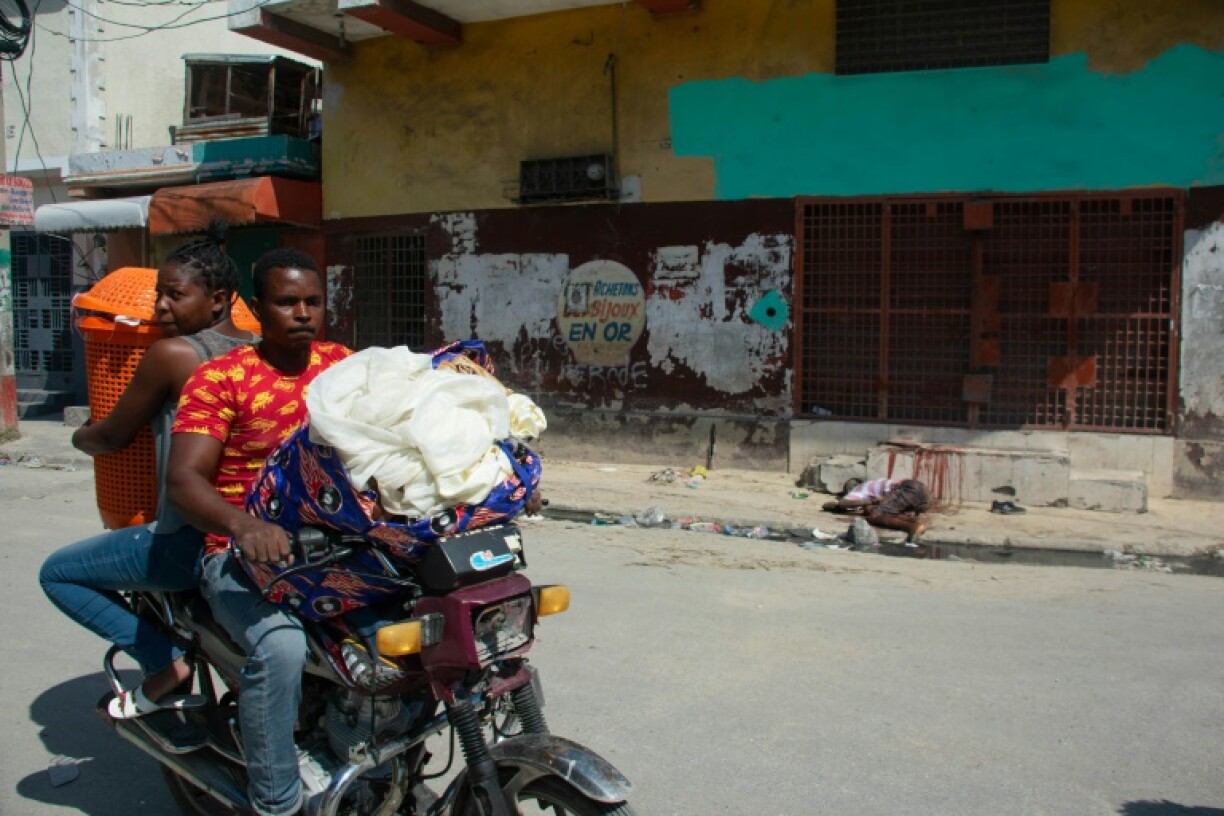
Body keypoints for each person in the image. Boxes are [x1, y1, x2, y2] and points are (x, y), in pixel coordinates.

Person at [39, 226, 257, 719]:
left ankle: (166, 662)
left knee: (58, 574)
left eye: (174, 295)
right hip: (258, 529)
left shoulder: (174, 354)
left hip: (189, 538)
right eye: (160, 293)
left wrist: (80, 434)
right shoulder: (265, 351)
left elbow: (113, 435)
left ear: (218, 299)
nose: (159, 306)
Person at [165, 248, 351, 816]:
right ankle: (277, 802)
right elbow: (184, 479)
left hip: (339, 546)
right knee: (281, 644)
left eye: (312, 302)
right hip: (238, 553)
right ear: (257, 308)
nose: (302, 313)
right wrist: (244, 524)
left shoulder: (344, 365)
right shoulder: (221, 377)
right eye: (287, 301)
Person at [822, 477, 930, 542]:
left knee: (874, 516)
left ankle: (912, 526)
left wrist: (874, 501)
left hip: (907, 489)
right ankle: (916, 521)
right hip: (920, 491)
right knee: (884, 512)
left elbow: (842, 503)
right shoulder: (876, 484)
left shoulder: (858, 490)